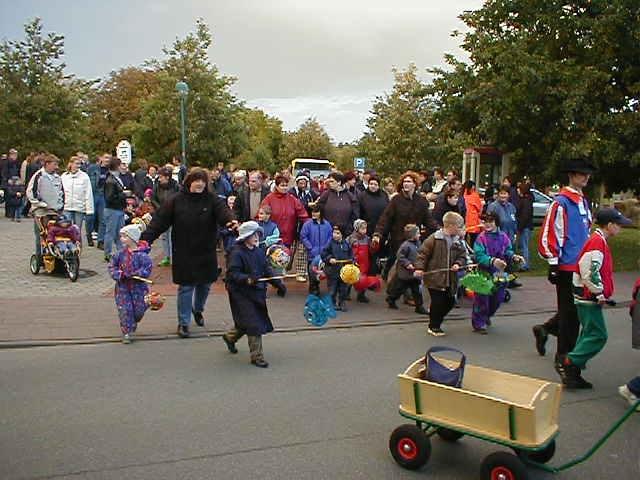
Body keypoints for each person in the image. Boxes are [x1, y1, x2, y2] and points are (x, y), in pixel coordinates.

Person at [142, 168, 236, 338]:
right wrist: (146, 239)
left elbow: (224, 213)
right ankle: (183, 323)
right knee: (186, 287)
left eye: (202, 181)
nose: (199, 184)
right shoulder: (176, 200)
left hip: (206, 250)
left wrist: (231, 222)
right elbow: (159, 221)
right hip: (184, 251)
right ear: (188, 182)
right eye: (196, 180)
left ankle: (197, 309)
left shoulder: (212, 199)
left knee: (205, 285)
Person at [533, 158, 596, 380]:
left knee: (574, 312)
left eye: (587, 174)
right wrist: (553, 263)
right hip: (567, 266)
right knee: (571, 316)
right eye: (581, 174)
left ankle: (545, 330)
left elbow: (585, 231)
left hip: (581, 265)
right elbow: (551, 233)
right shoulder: (561, 203)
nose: (585, 178)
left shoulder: (583, 201)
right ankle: (564, 361)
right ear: (571, 175)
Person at [558, 208, 630, 388]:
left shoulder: (598, 240)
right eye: (619, 225)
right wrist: (598, 293)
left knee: (588, 333)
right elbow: (589, 271)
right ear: (610, 225)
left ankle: (573, 372)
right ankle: (569, 361)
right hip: (588, 297)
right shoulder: (597, 242)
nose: (620, 228)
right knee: (598, 335)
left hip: (587, 295)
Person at [221, 221, 287, 368]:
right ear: (246, 237)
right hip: (240, 293)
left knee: (246, 322)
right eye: (253, 234)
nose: (257, 237)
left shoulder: (258, 252)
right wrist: (247, 279)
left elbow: (266, 270)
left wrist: (278, 284)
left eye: (257, 234)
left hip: (256, 292)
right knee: (253, 322)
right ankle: (257, 356)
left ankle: (230, 337)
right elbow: (233, 274)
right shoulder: (236, 253)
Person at [373, 171, 437, 280]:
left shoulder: (421, 201)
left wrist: (439, 231)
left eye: (409, 181)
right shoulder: (396, 200)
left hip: (414, 243)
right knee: (394, 267)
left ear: (415, 184)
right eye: (404, 181)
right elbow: (385, 219)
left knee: (412, 270)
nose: (406, 184)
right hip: (397, 241)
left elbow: (429, 221)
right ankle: (387, 281)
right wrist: (378, 234)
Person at [414, 211, 468, 337]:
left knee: (450, 301)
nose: (461, 229)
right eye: (459, 226)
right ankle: (434, 325)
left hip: (450, 278)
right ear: (451, 226)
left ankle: (437, 318)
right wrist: (419, 268)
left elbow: (462, 256)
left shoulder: (458, 240)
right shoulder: (434, 238)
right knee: (437, 302)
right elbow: (422, 254)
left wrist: (458, 263)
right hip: (435, 278)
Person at [472, 212, 524, 334]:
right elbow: (479, 255)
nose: (487, 224)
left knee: (498, 297)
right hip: (483, 272)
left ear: (496, 222)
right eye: (485, 221)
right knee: (482, 299)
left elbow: (508, 251)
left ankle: (487, 316)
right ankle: (479, 323)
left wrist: (514, 257)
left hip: (499, 273)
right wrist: (492, 261)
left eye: (490, 221)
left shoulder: (503, 237)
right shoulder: (481, 238)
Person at [108, 224, 153, 344]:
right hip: (122, 287)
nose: (121, 239)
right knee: (125, 309)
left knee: (139, 310)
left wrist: (136, 274)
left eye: (124, 236)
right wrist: (119, 274)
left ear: (133, 238)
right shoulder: (120, 254)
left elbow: (147, 268)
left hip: (139, 288)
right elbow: (112, 266)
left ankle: (134, 320)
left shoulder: (143, 255)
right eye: (121, 236)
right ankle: (127, 332)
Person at [26, 154, 65, 257]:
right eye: (54, 164)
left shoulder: (57, 178)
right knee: (42, 235)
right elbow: (31, 193)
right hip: (41, 211)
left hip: (54, 211)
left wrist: (60, 206)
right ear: (47, 164)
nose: (56, 167)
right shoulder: (39, 175)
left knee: (56, 234)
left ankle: (56, 255)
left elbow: (61, 193)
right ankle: (40, 257)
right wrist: (41, 204)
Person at [385, 224, 427, 314]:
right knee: (399, 289)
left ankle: (419, 306)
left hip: (415, 273)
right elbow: (400, 256)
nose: (419, 235)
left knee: (417, 291)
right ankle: (391, 298)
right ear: (412, 235)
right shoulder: (405, 245)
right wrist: (407, 264)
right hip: (405, 274)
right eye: (418, 233)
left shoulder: (418, 243)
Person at [260, 174, 309, 247]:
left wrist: (311, 224)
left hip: (288, 237)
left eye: (286, 185)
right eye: (282, 186)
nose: (285, 188)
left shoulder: (292, 199)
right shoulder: (269, 199)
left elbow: (303, 214)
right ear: (276, 186)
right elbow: (261, 215)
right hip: (271, 238)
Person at [300, 206, 332, 295]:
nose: (314, 214)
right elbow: (303, 236)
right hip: (312, 253)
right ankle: (313, 287)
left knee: (324, 271)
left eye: (316, 212)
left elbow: (330, 236)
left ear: (321, 213)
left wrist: (326, 248)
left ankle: (325, 287)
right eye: (313, 212)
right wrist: (310, 247)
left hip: (324, 253)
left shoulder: (327, 224)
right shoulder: (307, 224)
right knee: (312, 271)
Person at [61, 156, 94, 244]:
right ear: (71, 164)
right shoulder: (64, 176)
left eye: (79, 164)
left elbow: (88, 193)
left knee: (77, 230)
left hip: (79, 207)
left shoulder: (84, 176)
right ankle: (67, 247)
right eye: (76, 163)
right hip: (67, 206)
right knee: (66, 228)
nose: (78, 166)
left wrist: (89, 209)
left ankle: (78, 247)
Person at [348, 219, 381, 303]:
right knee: (350, 278)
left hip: (365, 263)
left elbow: (372, 250)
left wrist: (375, 243)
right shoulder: (351, 238)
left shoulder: (367, 239)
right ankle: (346, 293)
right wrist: (351, 259)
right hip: (354, 262)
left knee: (363, 279)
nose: (364, 230)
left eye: (365, 228)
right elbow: (347, 249)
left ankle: (361, 295)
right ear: (357, 228)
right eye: (362, 228)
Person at [321, 225, 353, 311]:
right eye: (334, 233)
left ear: (342, 235)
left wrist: (352, 261)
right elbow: (323, 254)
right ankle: (332, 303)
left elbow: (351, 254)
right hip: (332, 271)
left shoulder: (346, 244)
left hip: (344, 271)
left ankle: (342, 302)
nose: (335, 235)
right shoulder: (330, 243)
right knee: (332, 289)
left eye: (338, 233)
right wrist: (329, 259)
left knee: (343, 288)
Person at [317, 172, 360, 236]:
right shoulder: (326, 195)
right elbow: (319, 211)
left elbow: (355, 214)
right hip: (327, 232)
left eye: (332, 181)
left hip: (345, 233)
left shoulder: (350, 196)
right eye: (329, 181)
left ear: (339, 182)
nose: (329, 183)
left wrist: (349, 229)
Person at [152, 167, 179, 267]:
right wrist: (160, 209)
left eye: (161, 177)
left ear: (167, 177)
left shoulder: (176, 186)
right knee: (164, 236)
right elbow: (153, 199)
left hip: (173, 215)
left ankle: (173, 257)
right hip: (161, 214)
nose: (159, 179)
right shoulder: (157, 186)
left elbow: (179, 199)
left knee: (172, 236)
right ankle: (167, 256)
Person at [103, 157, 128, 262]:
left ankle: (121, 251)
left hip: (119, 209)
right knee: (110, 232)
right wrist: (123, 195)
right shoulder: (110, 180)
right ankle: (107, 253)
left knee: (120, 232)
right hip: (112, 209)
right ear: (117, 166)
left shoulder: (116, 178)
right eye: (121, 165)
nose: (123, 167)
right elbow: (109, 197)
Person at [87, 153, 112, 248]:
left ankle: (101, 241)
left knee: (103, 219)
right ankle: (89, 235)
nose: (107, 160)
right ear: (101, 158)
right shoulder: (92, 168)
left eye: (109, 158)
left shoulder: (111, 170)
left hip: (103, 195)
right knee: (90, 218)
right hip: (93, 194)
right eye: (105, 157)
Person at [516, 181, 534, 270]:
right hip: (526, 226)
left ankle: (524, 264)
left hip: (525, 227)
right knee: (524, 246)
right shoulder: (527, 200)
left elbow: (525, 216)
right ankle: (525, 264)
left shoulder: (525, 201)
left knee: (524, 246)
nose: (517, 191)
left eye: (519, 189)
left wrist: (520, 227)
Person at [463, 180, 482, 246]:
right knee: (473, 241)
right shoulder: (475, 196)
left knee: (463, 240)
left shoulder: (461, 195)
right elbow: (479, 208)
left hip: (464, 221)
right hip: (473, 221)